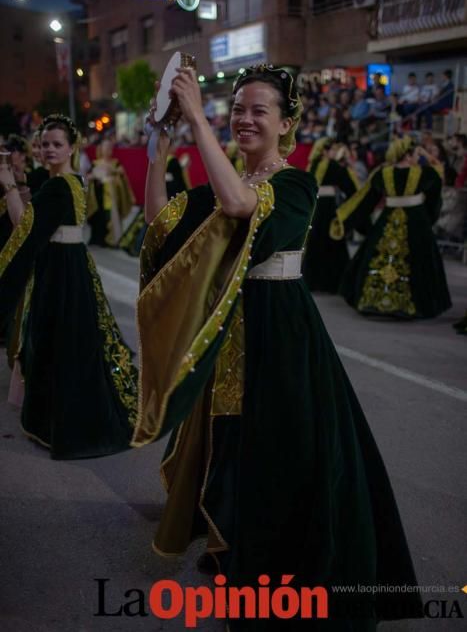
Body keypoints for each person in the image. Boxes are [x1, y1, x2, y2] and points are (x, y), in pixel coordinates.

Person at [132, 65, 422, 629]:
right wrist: (160, 148)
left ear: (286, 124)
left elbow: (242, 208)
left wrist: (196, 116)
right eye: (237, 108)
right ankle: (239, 551)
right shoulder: (225, 182)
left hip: (283, 336)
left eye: (258, 110)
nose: (244, 118)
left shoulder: (295, 185)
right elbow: (159, 224)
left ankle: (283, 578)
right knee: (232, 445)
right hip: (232, 329)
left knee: (283, 457)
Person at [0, 114, 138, 458]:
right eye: (45, 144)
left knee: (57, 344)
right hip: (72, 265)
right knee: (73, 342)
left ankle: (66, 423)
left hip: (60, 271)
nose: (49, 150)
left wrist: (8, 187)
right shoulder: (76, 180)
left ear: (72, 148)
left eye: (56, 144)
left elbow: (24, 230)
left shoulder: (58, 186)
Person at [333, 135, 451, 319]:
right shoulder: (427, 174)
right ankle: (412, 305)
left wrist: (353, 223)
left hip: (386, 219)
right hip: (416, 222)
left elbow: (365, 203)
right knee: (419, 263)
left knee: (375, 256)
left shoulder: (382, 174)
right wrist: (427, 220)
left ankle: (373, 300)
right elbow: (435, 201)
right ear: (409, 154)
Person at [302, 137, 359, 293]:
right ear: (326, 151)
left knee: (314, 244)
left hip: (314, 209)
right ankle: (333, 283)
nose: (335, 153)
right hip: (328, 209)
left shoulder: (311, 166)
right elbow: (352, 188)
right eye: (333, 150)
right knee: (332, 244)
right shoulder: (334, 166)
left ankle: (312, 282)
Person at [87, 139, 135, 246]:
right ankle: (99, 239)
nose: (108, 150)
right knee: (100, 217)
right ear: (101, 149)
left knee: (112, 218)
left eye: (110, 148)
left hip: (113, 196)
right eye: (106, 147)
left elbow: (122, 177)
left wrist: (114, 174)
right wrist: (95, 177)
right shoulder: (96, 163)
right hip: (100, 196)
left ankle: (113, 240)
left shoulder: (116, 163)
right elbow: (90, 177)